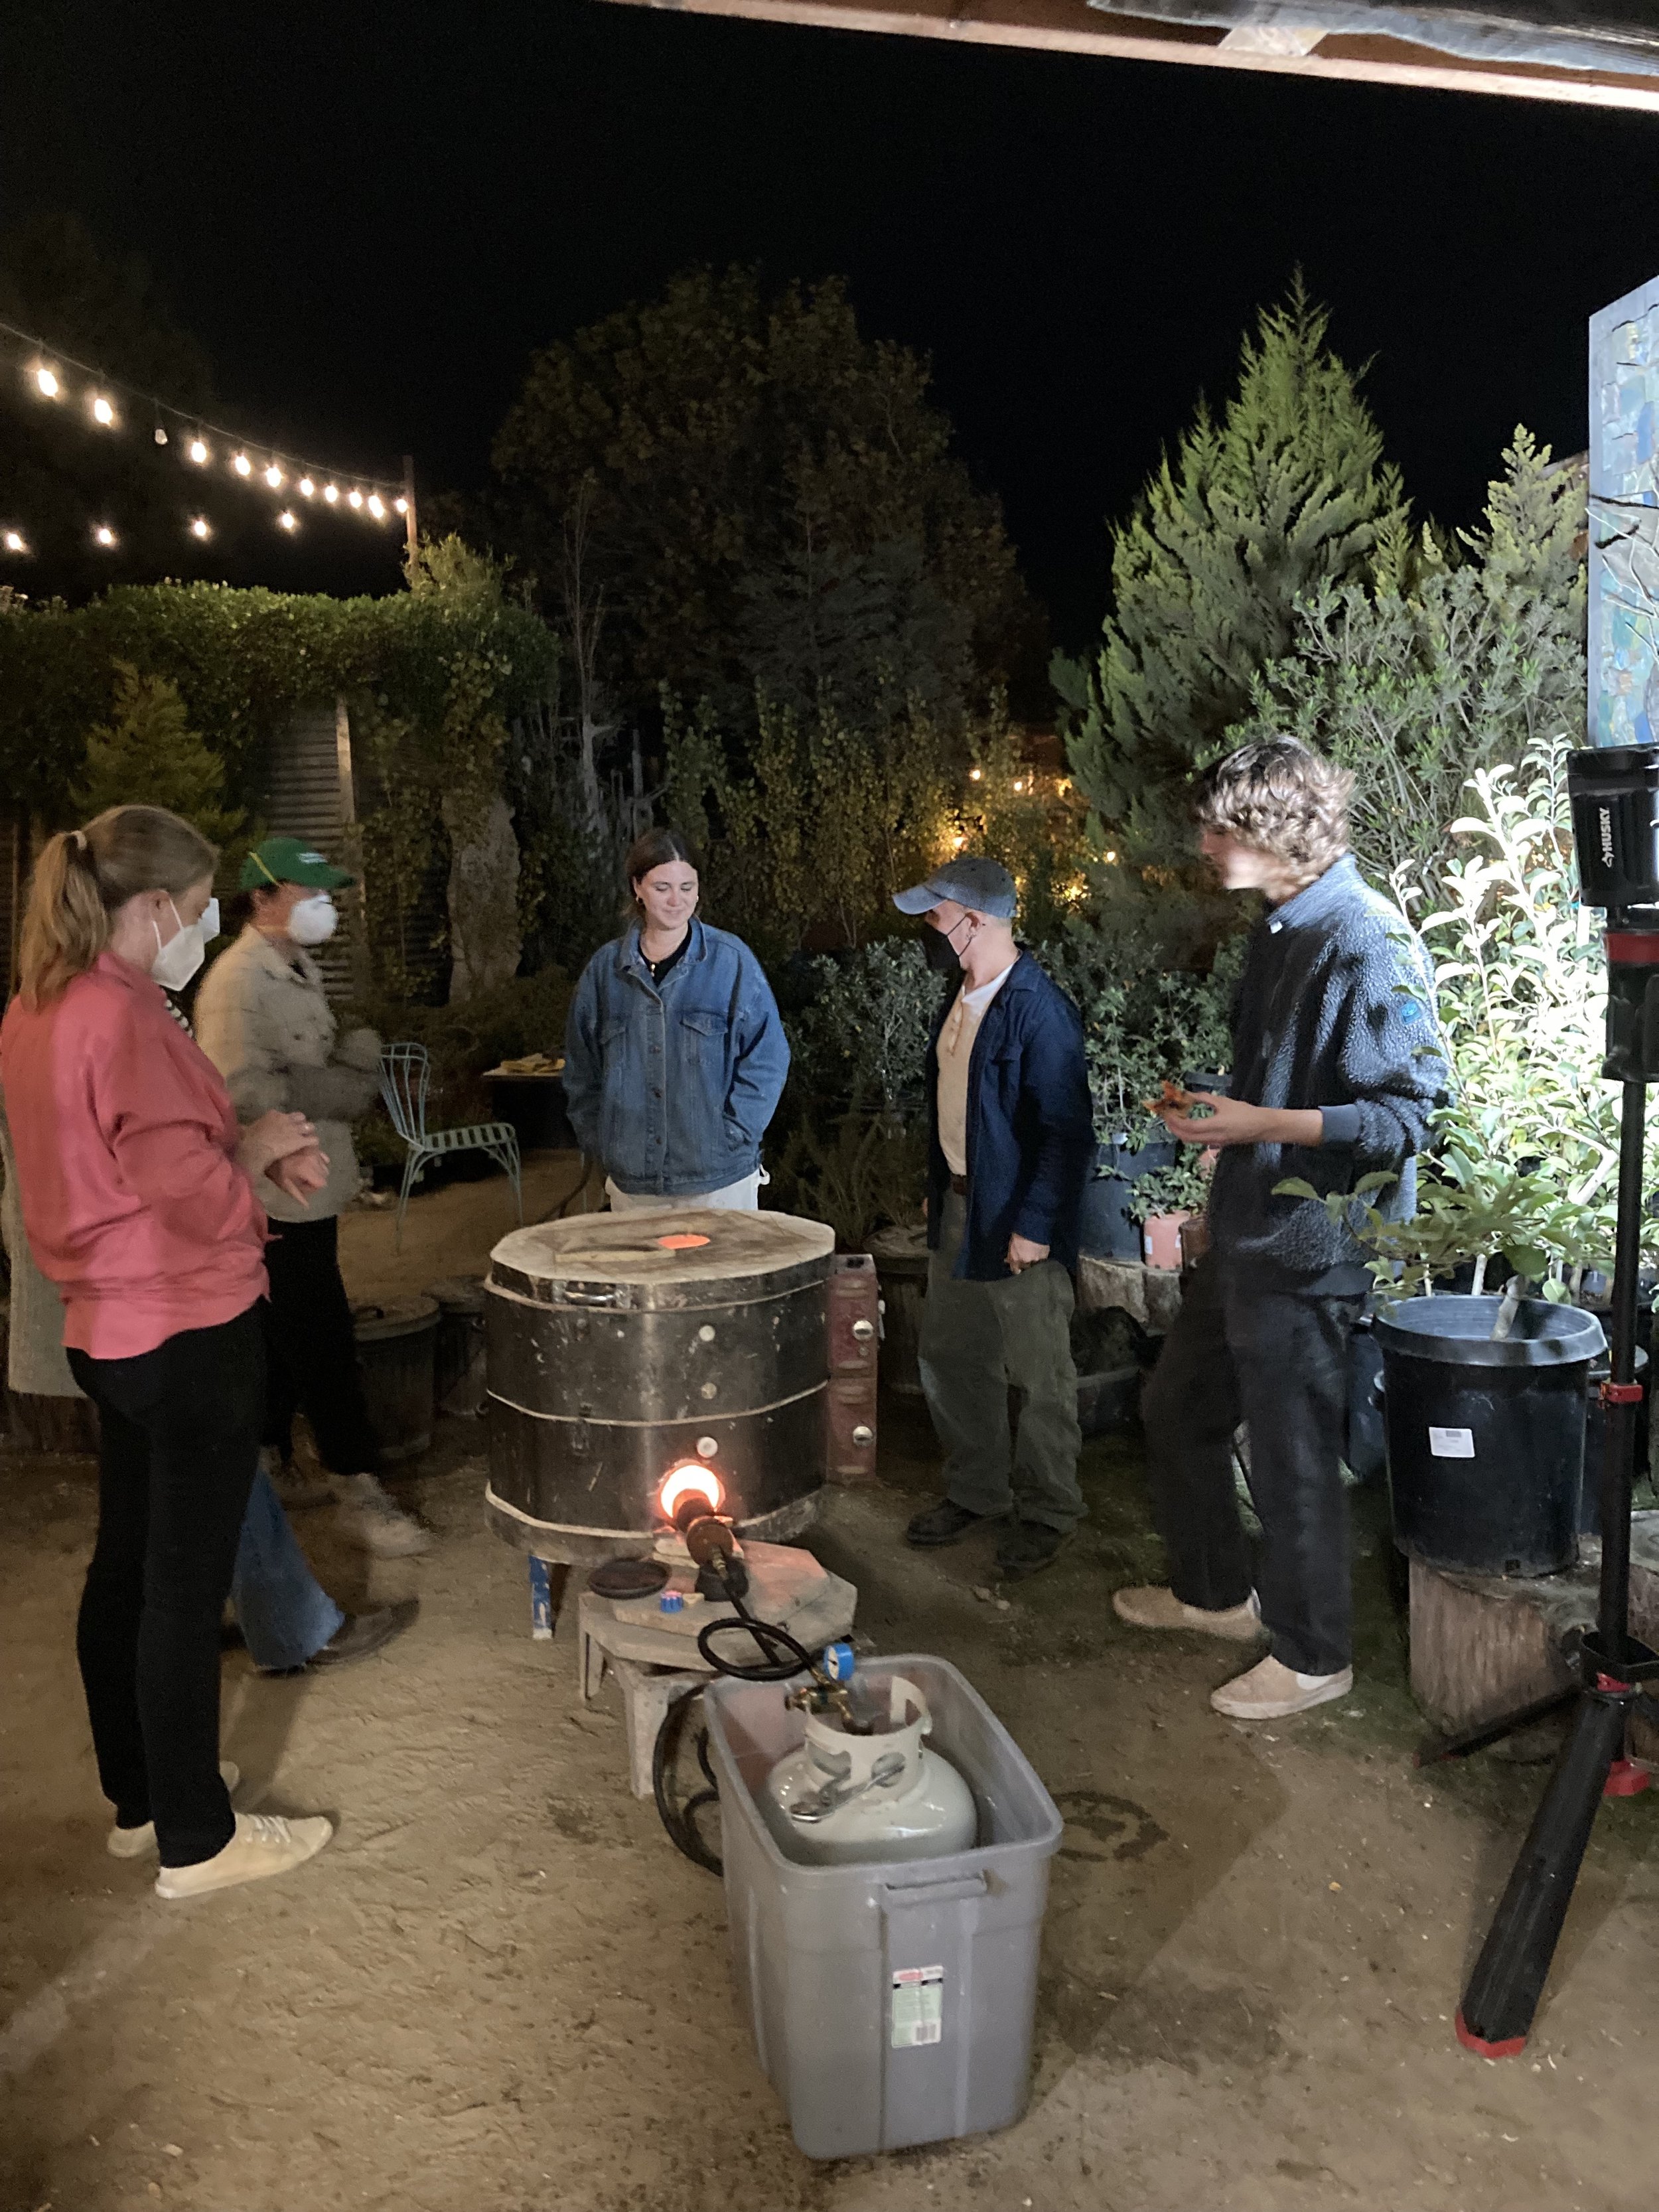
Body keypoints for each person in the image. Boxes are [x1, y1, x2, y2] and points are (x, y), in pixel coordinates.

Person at [0, 805, 334, 1897]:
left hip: (106, 1327)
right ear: (151, 907)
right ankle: (199, 1836)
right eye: (194, 909)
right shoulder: (124, 1015)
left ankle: (143, 1795)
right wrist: (253, 1149)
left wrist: (241, 1154)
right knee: (181, 1592)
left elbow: (130, 1161)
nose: (199, 927)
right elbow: (178, 1183)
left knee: (129, 1563)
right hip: (185, 1325)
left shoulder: (38, 1006)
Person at [1114, 739, 1447, 1720]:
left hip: (1315, 1248)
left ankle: (1314, 1657)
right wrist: (1221, 1114)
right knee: (1179, 1407)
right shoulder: (1282, 928)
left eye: (1219, 828)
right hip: (1250, 1233)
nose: (1203, 846)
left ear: (1275, 830)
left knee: (1292, 1457)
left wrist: (1259, 1123)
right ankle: (1215, 1596)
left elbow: (1413, 1114)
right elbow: (1286, 1088)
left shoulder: (1366, 936)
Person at [194, 836, 427, 1558]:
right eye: (311, 893)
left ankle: (271, 1459)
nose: (325, 905)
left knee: (281, 1332)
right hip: (274, 1194)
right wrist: (346, 1083)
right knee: (321, 1338)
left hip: (309, 1190)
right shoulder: (238, 982)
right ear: (263, 897)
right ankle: (358, 1485)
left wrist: (340, 1070)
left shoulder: (296, 966)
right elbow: (240, 1092)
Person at [895, 856, 1096, 1580]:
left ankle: (1048, 1510)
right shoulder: (962, 994)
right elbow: (956, 1105)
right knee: (954, 1356)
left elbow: (1067, 1135)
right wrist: (943, 1182)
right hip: (962, 1207)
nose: (926, 927)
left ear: (974, 921)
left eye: (936, 915)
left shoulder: (1040, 1012)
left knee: (1040, 1373)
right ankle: (976, 1490)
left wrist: (1035, 1225)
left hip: (1017, 1224)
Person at [563, 828, 790, 1212]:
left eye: (687, 887)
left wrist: (734, 1133)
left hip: (720, 1181)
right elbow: (581, 1069)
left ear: (699, 891)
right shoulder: (604, 973)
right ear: (638, 887)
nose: (676, 900)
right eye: (662, 887)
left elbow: (768, 1058)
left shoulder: (731, 962)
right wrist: (604, 1141)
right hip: (634, 1185)